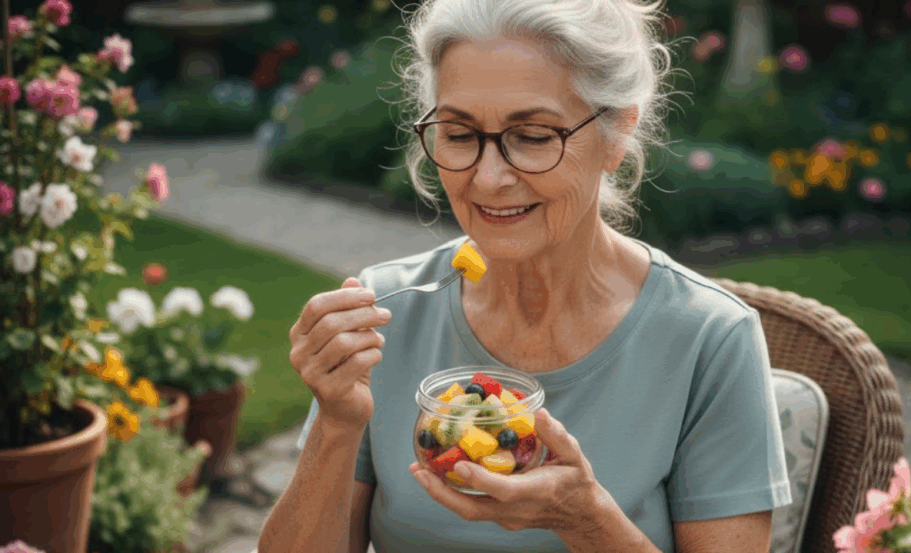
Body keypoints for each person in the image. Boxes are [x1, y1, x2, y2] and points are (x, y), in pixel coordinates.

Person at [257, 0, 792, 551]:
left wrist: (587, 522)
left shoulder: (709, 339)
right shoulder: (389, 313)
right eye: (460, 135)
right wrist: (336, 424)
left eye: (534, 137)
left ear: (617, 134)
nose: (488, 179)